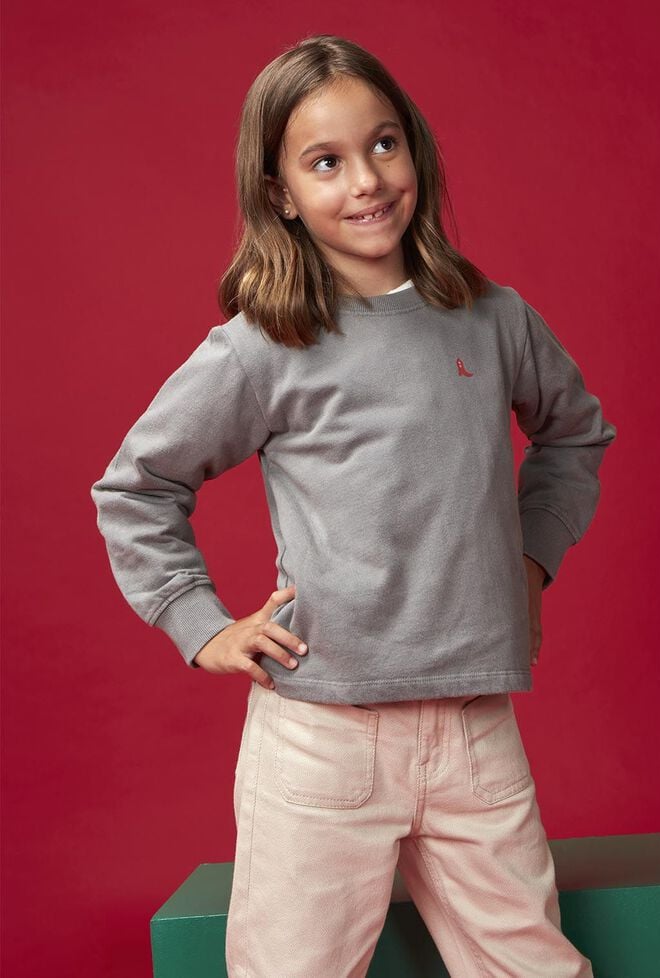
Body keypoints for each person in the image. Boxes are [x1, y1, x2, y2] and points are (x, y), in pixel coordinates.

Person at [90, 33, 616, 978]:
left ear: (414, 147)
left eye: (382, 145)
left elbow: (575, 434)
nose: (366, 180)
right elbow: (136, 486)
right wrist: (198, 622)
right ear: (282, 193)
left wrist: (529, 560)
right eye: (325, 162)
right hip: (323, 737)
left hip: (475, 727)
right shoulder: (263, 346)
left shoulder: (495, 319)